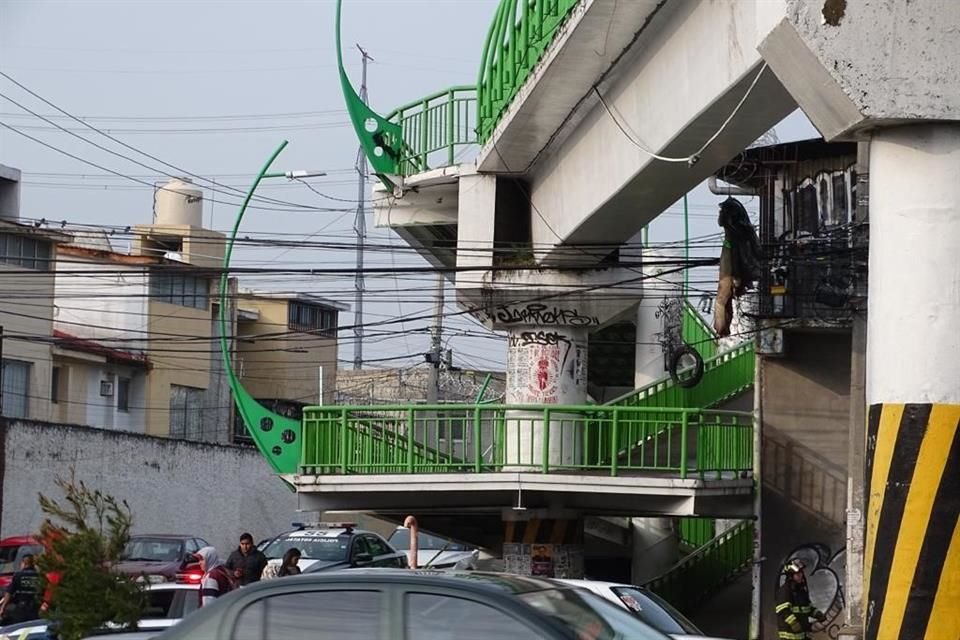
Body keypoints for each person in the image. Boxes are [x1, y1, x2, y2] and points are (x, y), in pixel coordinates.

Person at [775, 559, 825, 640]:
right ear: (790, 576)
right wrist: (793, 623)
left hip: (801, 634)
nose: (800, 575)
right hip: (789, 635)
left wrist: (817, 614)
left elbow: (807, 607)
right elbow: (783, 611)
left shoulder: (801, 590)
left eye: (801, 572)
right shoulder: (785, 591)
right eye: (797, 574)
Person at [0, 555, 41, 624]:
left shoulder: (18, 576)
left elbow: (9, 593)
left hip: (22, 609)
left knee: (20, 628)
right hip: (35, 609)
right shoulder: (39, 576)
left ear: (23, 563)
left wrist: (2, 608)